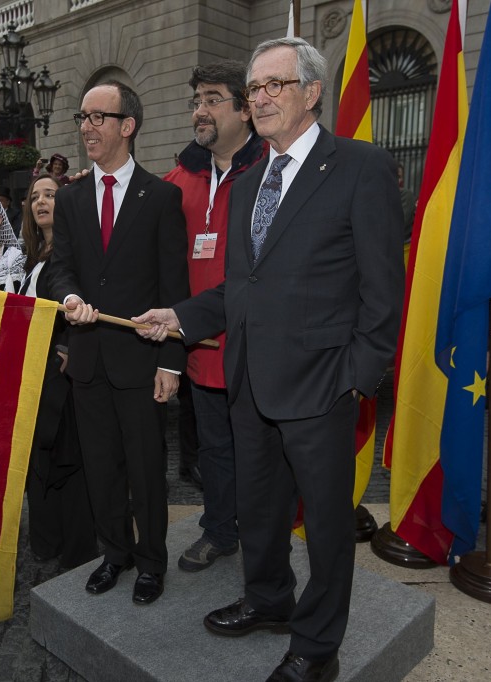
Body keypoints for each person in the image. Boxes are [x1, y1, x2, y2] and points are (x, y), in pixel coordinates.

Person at [135, 37, 403, 682]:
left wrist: (357, 379)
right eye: (255, 88)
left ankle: (316, 646)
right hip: (249, 379)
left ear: (311, 93)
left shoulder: (360, 167)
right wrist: (181, 318)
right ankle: (268, 598)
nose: (260, 97)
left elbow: (383, 288)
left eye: (275, 85)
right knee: (258, 506)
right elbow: (239, 287)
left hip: (323, 386)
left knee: (327, 525)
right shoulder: (252, 178)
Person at [48, 79, 189, 606]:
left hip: (142, 361)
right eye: (82, 117)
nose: (86, 126)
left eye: (97, 117)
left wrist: (172, 363)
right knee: (101, 466)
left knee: (148, 468)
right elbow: (59, 269)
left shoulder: (163, 198)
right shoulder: (71, 198)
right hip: (87, 362)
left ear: (127, 126)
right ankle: (115, 554)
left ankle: (152, 560)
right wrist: (68, 297)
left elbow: (176, 288)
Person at [163, 59, 267, 572]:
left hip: (259, 350)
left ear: (245, 110)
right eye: (196, 101)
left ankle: (269, 548)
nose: (200, 111)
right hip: (202, 351)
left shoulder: (273, 170)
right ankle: (221, 530)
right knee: (215, 452)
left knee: (265, 456)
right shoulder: (179, 177)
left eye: (211, 100)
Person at [18, 173, 98, 568]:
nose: (42, 202)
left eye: (51, 194)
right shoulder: (31, 258)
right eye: (35, 197)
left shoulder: (74, 253)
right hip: (35, 373)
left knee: (68, 456)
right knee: (42, 455)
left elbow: (86, 302)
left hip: (63, 373)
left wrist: (68, 345)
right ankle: (47, 540)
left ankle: (78, 548)